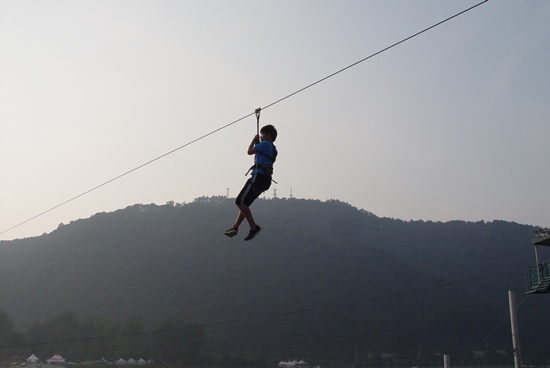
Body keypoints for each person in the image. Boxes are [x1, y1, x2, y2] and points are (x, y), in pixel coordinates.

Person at [224, 124, 278, 241]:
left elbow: (249, 152)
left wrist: (254, 141)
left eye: (262, 134)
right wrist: (258, 144)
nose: (261, 137)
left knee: (239, 201)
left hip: (258, 177)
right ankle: (235, 227)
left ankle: (253, 227)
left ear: (268, 135)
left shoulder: (265, 144)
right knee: (245, 204)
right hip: (266, 180)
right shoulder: (273, 149)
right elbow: (261, 156)